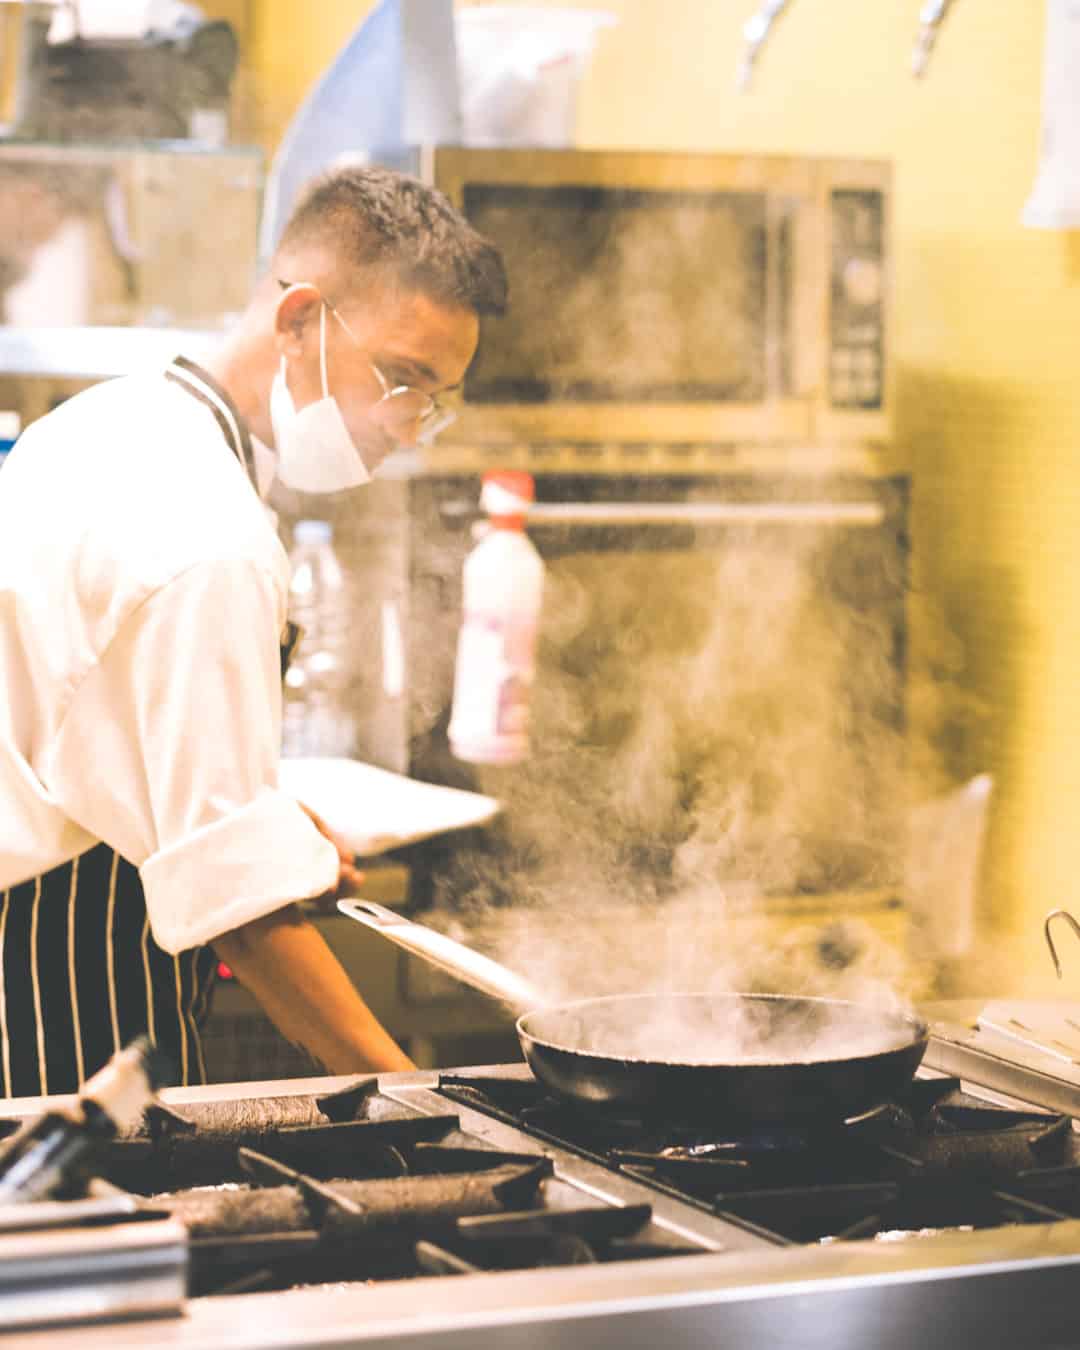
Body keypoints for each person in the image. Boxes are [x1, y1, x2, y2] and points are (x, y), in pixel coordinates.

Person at [0, 166, 509, 1097]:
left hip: (50, 938)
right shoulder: (208, 534)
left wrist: (266, 830)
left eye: (436, 400)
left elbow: (99, 739)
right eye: (402, 380)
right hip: (52, 994)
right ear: (299, 321)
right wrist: (421, 1102)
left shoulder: (117, 418)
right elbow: (241, 912)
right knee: (94, 1240)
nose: (409, 426)